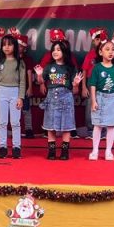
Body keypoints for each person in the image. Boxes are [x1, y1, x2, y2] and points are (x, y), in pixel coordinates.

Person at [36, 31, 83, 160]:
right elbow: (41, 81)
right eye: (53, 50)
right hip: (52, 98)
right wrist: (39, 75)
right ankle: (51, 151)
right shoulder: (49, 66)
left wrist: (76, 84)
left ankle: (64, 151)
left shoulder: (70, 68)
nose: (55, 52)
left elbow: (75, 91)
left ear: (64, 51)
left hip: (66, 98)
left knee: (66, 126)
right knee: (50, 126)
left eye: (58, 50)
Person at [0, 30, 27, 159]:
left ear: (15, 47)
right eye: (4, 45)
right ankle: (2, 147)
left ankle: (16, 147)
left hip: (15, 92)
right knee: (2, 122)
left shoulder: (20, 63)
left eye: (9, 44)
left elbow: (22, 81)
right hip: (1, 91)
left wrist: (21, 97)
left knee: (15, 122)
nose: (6, 47)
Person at [88, 38, 114, 161]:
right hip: (100, 97)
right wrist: (93, 101)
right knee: (97, 125)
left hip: (113, 98)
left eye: (113, 49)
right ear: (100, 52)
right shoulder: (97, 68)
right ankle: (95, 150)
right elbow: (92, 85)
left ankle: (108, 151)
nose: (110, 52)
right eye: (107, 49)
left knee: (111, 126)